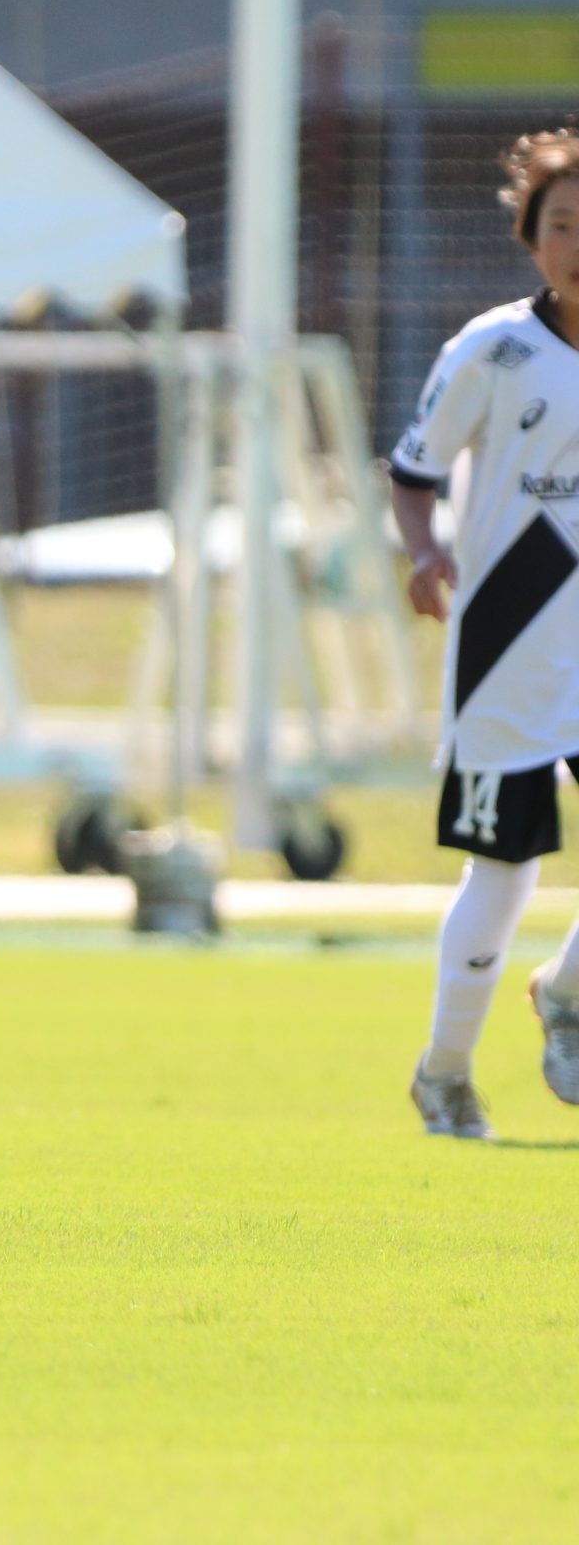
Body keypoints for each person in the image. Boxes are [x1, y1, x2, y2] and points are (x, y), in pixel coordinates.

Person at [390, 128, 579, 1139]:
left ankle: (567, 995)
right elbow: (413, 471)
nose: (578, 245)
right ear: (531, 237)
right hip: (510, 639)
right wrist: (424, 552)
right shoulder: (492, 349)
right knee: (504, 872)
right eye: (562, 225)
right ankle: (446, 1073)